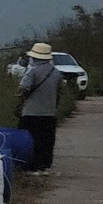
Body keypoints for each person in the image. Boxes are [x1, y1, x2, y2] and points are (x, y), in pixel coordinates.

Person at [17, 42, 61, 172]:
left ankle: (30, 166)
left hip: (31, 112)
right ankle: (44, 166)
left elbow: (23, 89)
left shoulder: (32, 71)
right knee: (47, 141)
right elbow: (59, 92)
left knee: (30, 140)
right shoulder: (56, 73)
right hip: (50, 113)